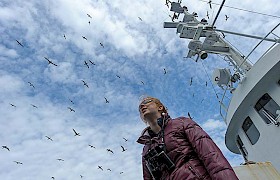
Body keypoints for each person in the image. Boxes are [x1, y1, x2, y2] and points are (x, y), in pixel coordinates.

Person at [137, 96, 238, 180]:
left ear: (160, 107)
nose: (142, 105)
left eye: (147, 102)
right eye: (140, 107)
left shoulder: (181, 123)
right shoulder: (146, 149)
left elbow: (211, 156)